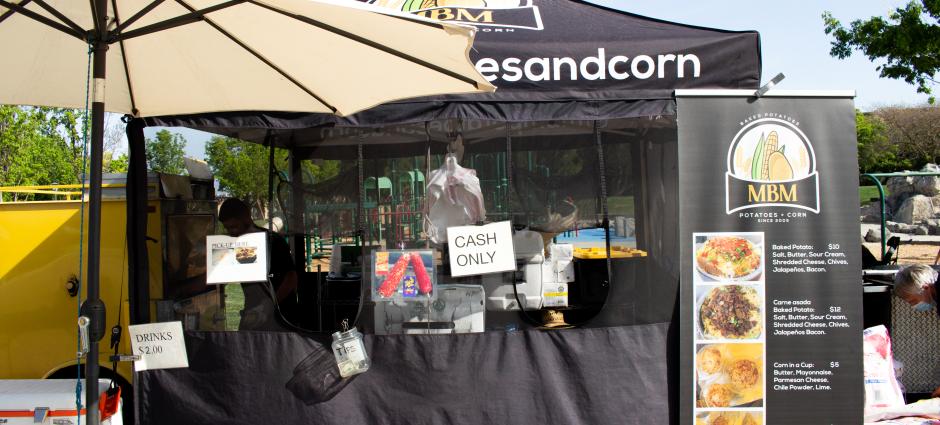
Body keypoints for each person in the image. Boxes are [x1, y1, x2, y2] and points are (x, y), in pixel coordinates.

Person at [218, 198, 299, 331]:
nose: (231, 232)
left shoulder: (273, 241)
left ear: (246, 218)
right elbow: (221, 276)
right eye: (227, 228)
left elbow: (291, 278)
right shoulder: (235, 245)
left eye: (234, 227)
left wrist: (268, 305)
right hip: (253, 315)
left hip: (281, 316)